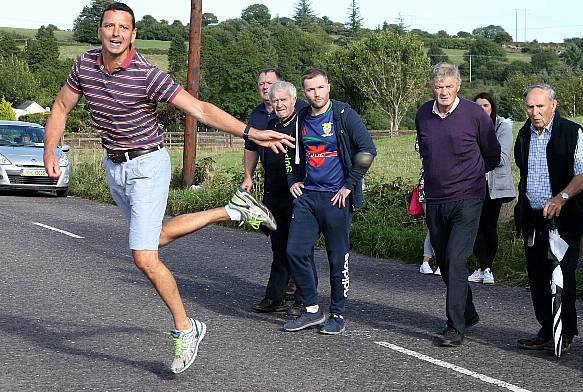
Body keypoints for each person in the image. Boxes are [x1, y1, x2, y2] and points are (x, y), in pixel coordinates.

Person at [41, 2, 293, 374]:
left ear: (133, 33)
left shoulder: (147, 74)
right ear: (99, 31)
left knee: (143, 256)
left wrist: (251, 131)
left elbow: (201, 110)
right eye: (109, 26)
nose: (115, 33)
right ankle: (234, 209)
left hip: (148, 164)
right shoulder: (84, 66)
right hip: (114, 166)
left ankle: (186, 328)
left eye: (123, 27)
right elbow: (61, 107)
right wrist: (50, 148)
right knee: (154, 240)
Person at [282, 68, 376, 335]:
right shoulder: (300, 118)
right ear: (304, 93)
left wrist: (350, 184)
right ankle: (311, 310)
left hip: (336, 198)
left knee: (337, 259)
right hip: (307, 198)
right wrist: (292, 180)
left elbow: (368, 150)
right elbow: (289, 152)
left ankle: (337, 313)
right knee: (295, 252)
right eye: (310, 89)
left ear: (328, 87)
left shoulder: (343, 114)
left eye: (320, 88)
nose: (316, 93)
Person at [415, 63, 500, 347]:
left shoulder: (475, 115)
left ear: (458, 87)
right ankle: (468, 311)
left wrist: (471, 178)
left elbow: (492, 153)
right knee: (445, 260)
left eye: (448, 87)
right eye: (438, 87)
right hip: (435, 199)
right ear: (432, 88)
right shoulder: (423, 115)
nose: (443, 92)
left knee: (456, 258)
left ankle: (455, 326)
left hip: (468, 198)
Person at [513, 84, 583, 355]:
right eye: (530, 107)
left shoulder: (572, 132)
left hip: (565, 218)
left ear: (553, 106)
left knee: (562, 276)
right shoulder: (524, 134)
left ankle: (566, 331)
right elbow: (523, 172)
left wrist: (562, 198)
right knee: (537, 277)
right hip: (534, 219)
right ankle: (548, 330)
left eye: (540, 106)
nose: (535, 112)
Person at [242, 70, 306, 317]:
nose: (278, 103)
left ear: (292, 98)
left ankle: (303, 299)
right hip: (273, 189)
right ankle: (274, 296)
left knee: (298, 247)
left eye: (282, 99)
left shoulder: (303, 117)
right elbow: (251, 147)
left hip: (298, 192)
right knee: (279, 247)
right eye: (264, 87)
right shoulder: (265, 121)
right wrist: (248, 176)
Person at [468, 92, 515, 285]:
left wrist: (475, 156)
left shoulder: (503, 126)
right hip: (473, 184)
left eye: (485, 106)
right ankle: (484, 268)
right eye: (477, 106)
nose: (481, 110)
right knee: (474, 225)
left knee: (489, 225)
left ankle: (487, 268)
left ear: (492, 107)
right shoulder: (469, 126)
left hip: (496, 185)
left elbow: (501, 159)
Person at [415, 139, 440, 276]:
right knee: (434, 225)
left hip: (446, 185)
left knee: (437, 225)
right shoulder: (426, 129)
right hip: (428, 185)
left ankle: (427, 261)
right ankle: (434, 261)